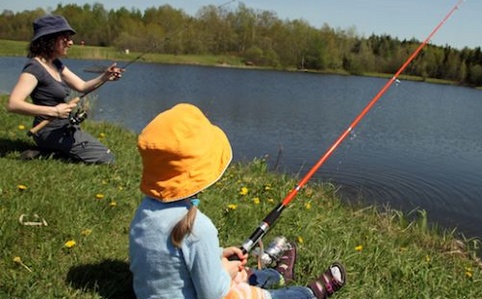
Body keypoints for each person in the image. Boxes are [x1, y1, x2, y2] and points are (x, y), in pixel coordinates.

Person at [129, 103, 346, 299]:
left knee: (240, 273)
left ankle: (277, 275)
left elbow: (174, 260)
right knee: (252, 293)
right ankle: (308, 294)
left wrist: (218, 255)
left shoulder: (146, 211)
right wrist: (225, 270)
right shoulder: (198, 228)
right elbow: (214, 294)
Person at [6, 15, 124, 164]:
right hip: (47, 130)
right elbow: (13, 104)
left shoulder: (55, 64)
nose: (70, 42)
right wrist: (54, 111)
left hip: (64, 127)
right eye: (65, 38)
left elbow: (82, 86)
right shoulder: (34, 68)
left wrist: (105, 77)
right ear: (49, 39)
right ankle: (45, 154)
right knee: (106, 158)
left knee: (106, 155)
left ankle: (49, 152)